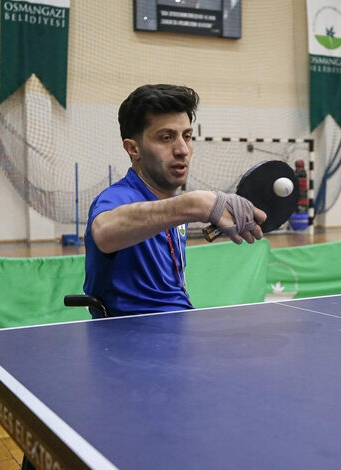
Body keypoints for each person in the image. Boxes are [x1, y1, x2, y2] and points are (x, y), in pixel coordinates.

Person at [82, 84, 267, 317]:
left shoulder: (174, 206)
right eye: (167, 137)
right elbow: (104, 232)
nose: (182, 150)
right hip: (129, 340)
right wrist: (193, 204)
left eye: (187, 136)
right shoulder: (119, 197)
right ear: (133, 149)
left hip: (176, 326)